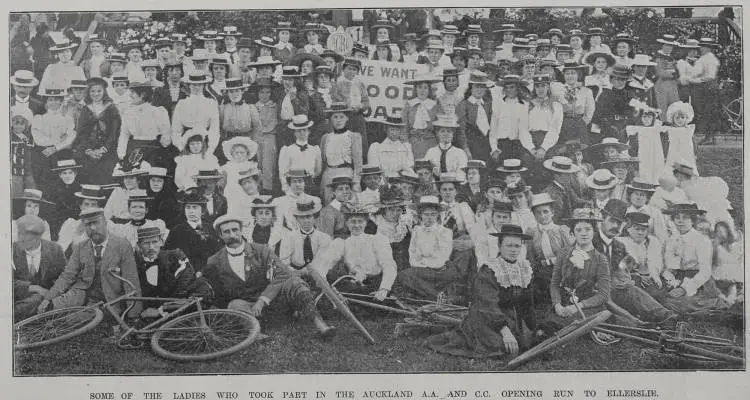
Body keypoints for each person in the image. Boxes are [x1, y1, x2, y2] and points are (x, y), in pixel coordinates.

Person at [204, 214, 335, 337]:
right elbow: (218, 293)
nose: (232, 235)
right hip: (246, 307)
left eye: (235, 230)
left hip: (273, 303)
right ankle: (255, 334)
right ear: (220, 235)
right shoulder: (214, 261)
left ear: (241, 231)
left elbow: (283, 274)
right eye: (226, 232)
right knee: (234, 304)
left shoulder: (261, 250)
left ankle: (321, 325)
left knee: (294, 282)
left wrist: (262, 300)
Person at [425, 224, 539, 357]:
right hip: (485, 317)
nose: (513, 250)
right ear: (500, 245)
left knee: (527, 342)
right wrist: (505, 332)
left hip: (510, 319)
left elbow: (527, 304)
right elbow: (487, 304)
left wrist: (534, 327)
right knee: (500, 347)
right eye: (509, 245)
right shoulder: (490, 270)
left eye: (517, 246)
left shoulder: (524, 269)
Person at [36, 208, 142, 318]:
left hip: (109, 299)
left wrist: (134, 316)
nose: (92, 228)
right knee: (49, 309)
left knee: (73, 321)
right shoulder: (81, 247)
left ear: (105, 223)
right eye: (88, 224)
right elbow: (67, 276)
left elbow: (131, 281)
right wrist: (47, 299)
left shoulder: (122, 245)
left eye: (96, 223)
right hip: (81, 295)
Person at [309, 201, 397, 302]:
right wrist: (325, 283)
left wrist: (383, 290)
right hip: (354, 287)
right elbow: (325, 263)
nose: (356, 225)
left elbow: (389, 266)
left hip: (377, 286)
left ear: (366, 222)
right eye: (353, 222)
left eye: (360, 221)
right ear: (347, 223)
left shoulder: (377, 240)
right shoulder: (342, 243)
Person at [545, 208, 611, 331]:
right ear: (573, 233)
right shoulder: (564, 253)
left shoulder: (600, 259)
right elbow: (554, 283)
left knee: (571, 329)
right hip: (564, 303)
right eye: (578, 230)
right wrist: (557, 304)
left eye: (588, 229)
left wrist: (578, 306)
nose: (583, 233)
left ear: (594, 232)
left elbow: (603, 295)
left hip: (588, 306)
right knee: (547, 329)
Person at [659, 203, 726, 315]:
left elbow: (705, 272)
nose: (680, 221)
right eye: (677, 218)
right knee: (658, 297)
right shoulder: (672, 240)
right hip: (678, 278)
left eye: (685, 217)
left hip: (698, 282)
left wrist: (684, 288)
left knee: (680, 304)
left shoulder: (702, 241)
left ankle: (713, 303)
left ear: (692, 220)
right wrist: (671, 281)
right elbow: (670, 267)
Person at [134, 225, 214, 317]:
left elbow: (184, 285)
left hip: (184, 307)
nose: (151, 247)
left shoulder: (175, 257)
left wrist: (160, 310)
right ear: (138, 245)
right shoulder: (135, 265)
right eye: (146, 243)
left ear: (162, 242)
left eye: (155, 242)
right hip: (153, 313)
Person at [614, 212, 678, 325]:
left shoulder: (652, 242)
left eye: (643, 229)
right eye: (636, 228)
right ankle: (657, 316)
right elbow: (621, 266)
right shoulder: (621, 242)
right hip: (629, 278)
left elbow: (655, 262)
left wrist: (654, 276)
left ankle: (664, 315)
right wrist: (636, 276)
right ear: (628, 228)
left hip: (649, 277)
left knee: (660, 294)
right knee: (642, 294)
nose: (640, 232)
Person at [395, 195, 461, 301]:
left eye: (433, 214)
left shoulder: (445, 232)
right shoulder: (417, 230)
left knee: (407, 275)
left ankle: (433, 296)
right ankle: (436, 296)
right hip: (420, 269)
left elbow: (442, 257)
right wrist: (420, 264)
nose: (429, 218)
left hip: (439, 271)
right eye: (426, 214)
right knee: (403, 276)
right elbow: (412, 254)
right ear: (420, 215)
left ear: (437, 215)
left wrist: (423, 263)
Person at [13, 215, 66, 321]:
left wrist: (50, 295)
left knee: (39, 300)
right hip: (18, 298)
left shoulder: (55, 250)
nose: (20, 238)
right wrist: (34, 288)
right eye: (19, 233)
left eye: (25, 235)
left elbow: (64, 277)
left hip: (47, 298)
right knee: (36, 299)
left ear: (38, 236)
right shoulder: (11, 249)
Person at [526, 193, 574, 304]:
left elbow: (572, 253)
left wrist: (551, 261)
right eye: (538, 213)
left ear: (552, 212)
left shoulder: (562, 230)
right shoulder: (531, 233)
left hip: (562, 273)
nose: (542, 216)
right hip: (542, 276)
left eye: (545, 212)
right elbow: (530, 257)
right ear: (534, 215)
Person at [163, 190, 223, 277]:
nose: (191, 211)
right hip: (188, 275)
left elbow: (219, 253)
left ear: (202, 210)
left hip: (211, 273)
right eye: (188, 207)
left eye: (195, 207)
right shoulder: (176, 231)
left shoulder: (211, 228)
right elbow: (168, 256)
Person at [73, 77, 121, 186]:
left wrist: (103, 149)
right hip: (89, 150)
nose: (96, 94)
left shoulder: (111, 108)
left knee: (106, 176)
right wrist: (89, 150)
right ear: (88, 93)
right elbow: (82, 133)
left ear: (104, 92)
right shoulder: (85, 109)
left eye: (99, 91)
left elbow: (115, 132)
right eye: (92, 91)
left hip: (108, 150)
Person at [117, 81, 172, 166]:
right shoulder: (128, 113)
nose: (130, 95)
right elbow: (124, 134)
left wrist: (161, 149)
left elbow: (166, 134)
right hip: (133, 149)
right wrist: (121, 153)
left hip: (153, 149)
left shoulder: (158, 111)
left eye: (133, 92)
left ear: (143, 94)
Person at [31, 86, 77, 188]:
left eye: (56, 100)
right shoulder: (39, 118)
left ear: (61, 101)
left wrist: (56, 147)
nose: (53, 103)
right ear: (46, 102)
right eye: (50, 100)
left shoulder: (67, 119)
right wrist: (58, 140)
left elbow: (71, 137)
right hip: (45, 154)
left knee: (64, 181)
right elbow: (38, 139)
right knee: (47, 181)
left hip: (62, 154)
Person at [319, 103, 364, 202]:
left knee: (347, 204)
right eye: (335, 117)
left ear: (347, 118)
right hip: (329, 175)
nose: (338, 120)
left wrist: (356, 182)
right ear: (331, 119)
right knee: (329, 205)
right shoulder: (326, 138)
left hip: (346, 174)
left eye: (341, 117)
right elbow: (322, 160)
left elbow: (358, 163)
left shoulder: (353, 136)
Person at [171, 71, 221, 156]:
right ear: (189, 85)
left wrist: (210, 149)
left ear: (204, 85)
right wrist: (181, 147)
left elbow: (214, 129)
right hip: (186, 143)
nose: (197, 88)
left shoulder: (211, 103)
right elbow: (176, 129)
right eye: (194, 85)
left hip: (205, 143)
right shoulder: (182, 103)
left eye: (200, 85)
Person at [217, 78, 262, 164]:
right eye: (231, 92)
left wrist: (252, 144)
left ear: (242, 91)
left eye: (237, 91)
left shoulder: (250, 108)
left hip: (246, 142)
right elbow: (220, 126)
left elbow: (257, 128)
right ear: (227, 93)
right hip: (228, 142)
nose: (234, 94)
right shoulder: (223, 108)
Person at [279, 198, 331, 270]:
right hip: (295, 274)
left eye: (309, 216)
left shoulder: (324, 238)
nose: (306, 220)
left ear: (314, 217)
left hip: (318, 273)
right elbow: (284, 262)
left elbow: (323, 261)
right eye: (302, 217)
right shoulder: (289, 237)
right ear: (297, 219)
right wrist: (297, 273)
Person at [278, 115, 322, 195]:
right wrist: (287, 190)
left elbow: (318, 170)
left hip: (310, 187)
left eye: (304, 130)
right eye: (299, 131)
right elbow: (283, 172)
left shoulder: (315, 149)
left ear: (309, 131)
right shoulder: (287, 150)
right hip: (293, 188)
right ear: (294, 133)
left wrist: (309, 179)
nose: (302, 133)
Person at [590, 64, 634, 144]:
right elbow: (598, 116)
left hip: (625, 130)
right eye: (617, 79)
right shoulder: (605, 95)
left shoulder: (629, 95)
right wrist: (610, 127)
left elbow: (632, 114)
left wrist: (626, 127)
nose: (620, 82)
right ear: (611, 80)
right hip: (607, 131)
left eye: (623, 79)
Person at [456, 71, 494, 161]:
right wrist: (465, 149)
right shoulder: (463, 105)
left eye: (482, 87)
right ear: (471, 88)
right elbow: (461, 131)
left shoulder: (488, 105)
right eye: (476, 86)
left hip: (487, 145)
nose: (479, 90)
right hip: (471, 145)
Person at [402, 73, 441, 160]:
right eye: (419, 87)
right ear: (415, 89)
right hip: (413, 142)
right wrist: (406, 144)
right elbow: (404, 127)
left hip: (431, 142)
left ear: (429, 90)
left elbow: (439, 127)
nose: (422, 90)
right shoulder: (409, 105)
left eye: (425, 88)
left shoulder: (435, 105)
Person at [253, 79, 280, 192]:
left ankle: (267, 190)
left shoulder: (275, 107)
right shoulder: (253, 107)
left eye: (267, 92)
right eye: (262, 92)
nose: (264, 95)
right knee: (256, 164)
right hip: (255, 137)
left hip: (269, 137)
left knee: (268, 165)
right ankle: (256, 189)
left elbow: (273, 122)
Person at [104, 157, 150, 223]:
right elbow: (107, 212)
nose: (128, 181)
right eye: (125, 178)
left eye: (131, 178)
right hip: (114, 225)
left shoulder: (143, 193)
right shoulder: (117, 191)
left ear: (139, 180)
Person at [558, 61, 594, 145]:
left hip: (580, 123)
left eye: (573, 73)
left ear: (578, 75)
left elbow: (589, 111)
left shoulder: (586, 91)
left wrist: (581, 124)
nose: (570, 76)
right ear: (564, 75)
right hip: (563, 124)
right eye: (567, 73)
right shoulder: (558, 90)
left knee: (581, 149)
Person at [625, 107, 664, 184]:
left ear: (653, 118)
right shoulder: (637, 130)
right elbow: (633, 146)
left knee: (655, 174)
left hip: (654, 157)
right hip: (641, 157)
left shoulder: (656, 129)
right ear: (640, 118)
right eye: (644, 117)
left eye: (649, 117)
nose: (647, 119)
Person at [424, 114, 468, 180]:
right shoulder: (431, 152)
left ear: (453, 134)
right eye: (442, 131)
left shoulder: (460, 153)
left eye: (449, 131)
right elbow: (426, 173)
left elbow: (462, 175)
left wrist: (443, 176)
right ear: (437, 133)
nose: (445, 134)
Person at [542, 156, 583, 224]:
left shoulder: (566, 187)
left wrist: (589, 202)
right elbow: (555, 218)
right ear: (556, 176)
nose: (570, 178)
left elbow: (576, 200)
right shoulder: (550, 193)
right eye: (567, 175)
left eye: (570, 175)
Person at [662, 101, 697, 177]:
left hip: (686, 153)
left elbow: (693, 142)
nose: (680, 120)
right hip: (673, 153)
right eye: (677, 118)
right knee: (672, 171)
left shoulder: (688, 129)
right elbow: (666, 143)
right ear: (672, 119)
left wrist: (695, 153)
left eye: (682, 117)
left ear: (687, 118)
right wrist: (665, 154)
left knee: (687, 170)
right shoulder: (670, 130)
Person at [220, 136, 259, 202]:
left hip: (247, 192)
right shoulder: (228, 166)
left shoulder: (251, 166)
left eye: (242, 153)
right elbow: (222, 183)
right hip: (232, 193)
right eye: (236, 153)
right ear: (232, 154)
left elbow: (255, 182)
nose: (239, 155)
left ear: (247, 154)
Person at [152, 54, 189, 120]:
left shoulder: (186, 90)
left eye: (177, 70)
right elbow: (155, 113)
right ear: (167, 73)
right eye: (171, 70)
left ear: (181, 72)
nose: (174, 73)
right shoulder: (159, 91)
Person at [10, 107, 36, 197]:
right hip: (15, 170)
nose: (19, 126)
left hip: (28, 170)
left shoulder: (29, 138)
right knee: (16, 192)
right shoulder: (10, 137)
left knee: (32, 191)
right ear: (11, 124)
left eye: (22, 124)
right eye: (16, 123)